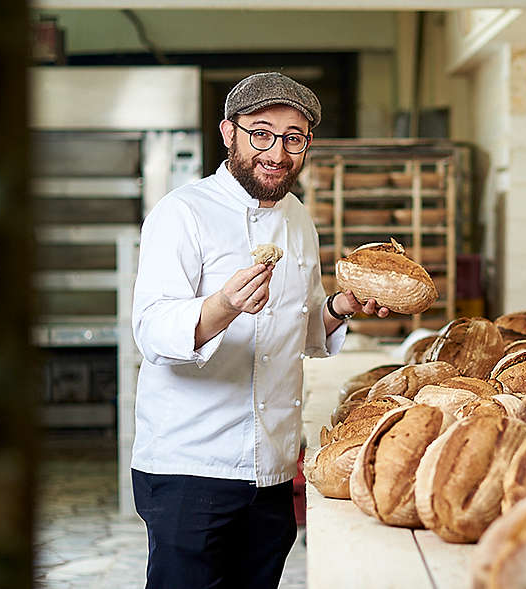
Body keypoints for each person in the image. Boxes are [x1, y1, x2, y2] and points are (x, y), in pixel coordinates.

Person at [130, 71, 389, 589]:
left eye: (293, 138)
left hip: (271, 468)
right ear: (229, 133)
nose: (277, 152)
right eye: (261, 133)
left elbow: (301, 326)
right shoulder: (183, 213)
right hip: (191, 467)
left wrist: (339, 306)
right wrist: (223, 305)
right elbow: (152, 330)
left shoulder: (298, 219)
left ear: (307, 144)